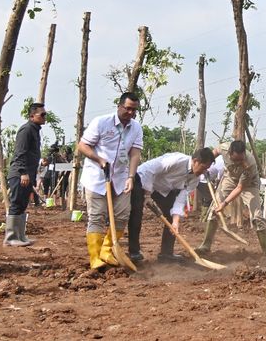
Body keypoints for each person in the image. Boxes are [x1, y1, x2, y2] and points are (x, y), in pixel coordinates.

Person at [78, 92, 144, 270]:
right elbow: (82, 145)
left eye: (134, 110)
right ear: (119, 106)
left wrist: (131, 176)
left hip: (121, 178)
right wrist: (99, 160)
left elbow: (135, 154)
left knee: (122, 214)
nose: (131, 113)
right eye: (128, 108)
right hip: (97, 178)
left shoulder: (136, 128)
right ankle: (95, 257)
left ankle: (107, 249)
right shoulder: (101, 122)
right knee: (97, 216)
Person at [128, 147, 216, 262]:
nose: (204, 172)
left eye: (207, 169)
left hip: (163, 189)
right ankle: (134, 253)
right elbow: (150, 170)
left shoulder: (195, 179)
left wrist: (175, 221)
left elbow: (181, 199)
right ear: (195, 161)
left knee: (170, 218)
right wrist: (147, 195)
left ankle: (166, 253)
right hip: (144, 180)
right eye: (203, 168)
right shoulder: (176, 160)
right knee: (136, 215)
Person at [197, 140, 266, 258]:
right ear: (230, 153)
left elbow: (240, 188)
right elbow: (214, 152)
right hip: (230, 178)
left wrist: (224, 204)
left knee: (257, 217)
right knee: (214, 210)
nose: (239, 163)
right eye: (236, 160)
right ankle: (205, 246)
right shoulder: (224, 148)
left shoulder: (249, 164)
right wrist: (206, 165)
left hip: (249, 183)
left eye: (241, 160)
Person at [3, 103, 44, 247]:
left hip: (28, 175)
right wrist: (23, 172)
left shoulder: (35, 130)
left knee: (22, 205)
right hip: (20, 174)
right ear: (32, 116)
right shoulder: (26, 130)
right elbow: (20, 152)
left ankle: (20, 236)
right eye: (42, 115)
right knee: (16, 204)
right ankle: (10, 237)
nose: (45, 117)